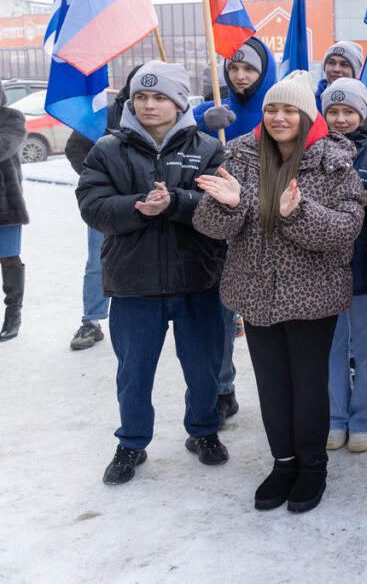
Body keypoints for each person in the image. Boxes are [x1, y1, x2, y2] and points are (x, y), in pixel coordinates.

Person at [193, 70, 367, 513]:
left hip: (312, 295)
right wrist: (230, 206)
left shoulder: (334, 160)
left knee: (308, 385)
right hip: (254, 290)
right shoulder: (240, 155)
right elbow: (208, 225)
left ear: (308, 115)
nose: (278, 116)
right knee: (272, 385)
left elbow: (344, 230)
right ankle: (283, 461)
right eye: (272, 108)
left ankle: (312, 466)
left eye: (290, 109)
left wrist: (298, 212)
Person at [76, 61, 229, 485]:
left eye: (159, 97)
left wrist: (176, 203)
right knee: (134, 370)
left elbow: (222, 206)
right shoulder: (108, 149)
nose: (148, 105)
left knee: (203, 365)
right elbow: (91, 204)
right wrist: (136, 207)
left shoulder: (207, 148)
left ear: (179, 102)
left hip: (197, 277)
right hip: (133, 281)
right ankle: (131, 442)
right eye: (141, 97)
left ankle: (203, 431)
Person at [194, 37, 280, 421]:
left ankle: (285, 395)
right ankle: (224, 387)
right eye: (233, 68)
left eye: (250, 69)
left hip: (268, 232)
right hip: (219, 233)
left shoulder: (277, 114)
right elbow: (173, 127)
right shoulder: (212, 110)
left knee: (272, 323)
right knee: (221, 318)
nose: (241, 76)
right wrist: (200, 122)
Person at [320, 77, 367, 453]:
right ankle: (334, 418)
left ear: (362, 113)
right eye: (333, 111)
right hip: (322, 274)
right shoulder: (311, 153)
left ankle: (364, 418)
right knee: (330, 350)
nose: (341, 118)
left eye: (349, 111)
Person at [65, 67, 142, 350]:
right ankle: (91, 321)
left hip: (153, 201)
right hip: (108, 203)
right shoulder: (104, 114)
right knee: (99, 260)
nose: (148, 101)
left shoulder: (168, 114)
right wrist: (99, 182)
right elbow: (75, 148)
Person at [315, 41, 367, 141]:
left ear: (355, 70)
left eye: (344, 65)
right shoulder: (310, 104)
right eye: (331, 63)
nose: (336, 69)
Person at [0, 84, 27, 341]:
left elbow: (4, 147)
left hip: (4, 204)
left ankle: (13, 314)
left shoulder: (12, 117)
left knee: (8, 258)